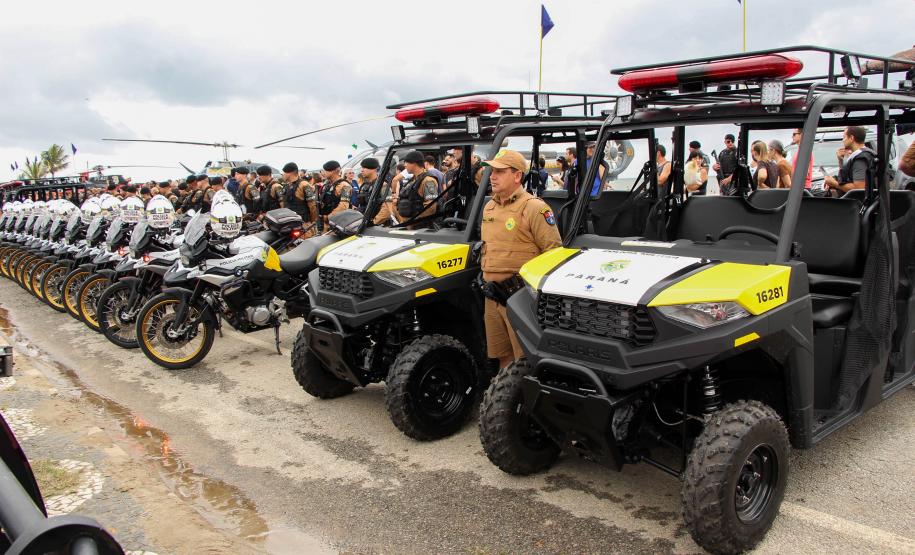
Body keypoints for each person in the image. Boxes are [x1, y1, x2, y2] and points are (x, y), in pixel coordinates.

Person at [479, 150, 561, 368]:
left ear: (517, 176)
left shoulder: (534, 207)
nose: (492, 176)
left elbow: (553, 254)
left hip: (519, 297)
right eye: (492, 171)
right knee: (502, 356)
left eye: (499, 171)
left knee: (523, 360)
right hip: (492, 295)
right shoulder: (489, 206)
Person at [824, 126, 874, 194]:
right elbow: (846, 177)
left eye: (844, 137)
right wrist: (841, 160)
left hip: (860, 203)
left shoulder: (860, 159)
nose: (843, 140)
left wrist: (835, 183)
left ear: (851, 138)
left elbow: (859, 189)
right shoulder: (859, 155)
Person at [396, 150, 439, 224]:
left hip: (422, 227)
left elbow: (431, 208)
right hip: (412, 224)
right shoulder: (414, 179)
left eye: (407, 162)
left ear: (414, 163)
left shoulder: (428, 181)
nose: (405, 165)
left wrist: (413, 222)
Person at [281, 162, 317, 236]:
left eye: (284, 173)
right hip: (289, 224)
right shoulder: (286, 186)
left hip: (303, 224)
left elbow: (312, 205)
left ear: (290, 173)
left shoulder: (304, 184)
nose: (283, 175)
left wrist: (312, 221)